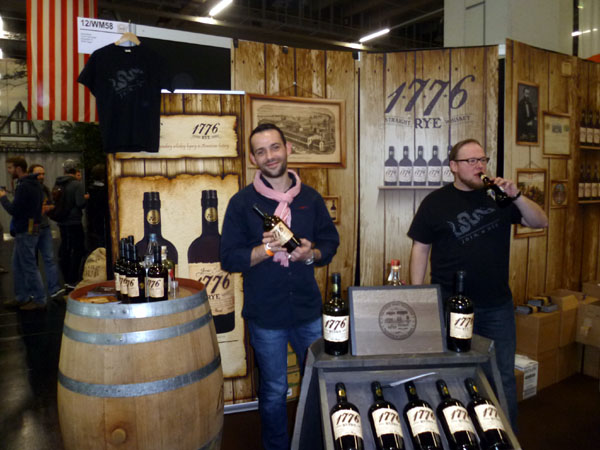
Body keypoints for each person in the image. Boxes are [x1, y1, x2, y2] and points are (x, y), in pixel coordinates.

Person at [407, 138, 548, 430]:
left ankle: (505, 438)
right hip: (449, 306)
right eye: (471, 161)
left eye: (482, 159)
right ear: (454, 166)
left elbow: (540, 222)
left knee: (502, 376)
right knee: (451, 374)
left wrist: (517, 196)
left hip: (496, 305)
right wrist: (419, 297)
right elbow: (420, 249)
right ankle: (461, 434)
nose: (479, 165)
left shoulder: (498, 196)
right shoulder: (435, 203)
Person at [220, 123, 339, 450]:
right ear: (253, 159)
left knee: (319, 383)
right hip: (265, 314)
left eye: (274, 147)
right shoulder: (242, 203)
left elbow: (330, 242)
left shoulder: (310, 198)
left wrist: (311, 254)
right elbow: (229, 258)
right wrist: (266, 250)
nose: (269, 156)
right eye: (261, 151)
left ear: (288, 149)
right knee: (273, 391)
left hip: (308, 311)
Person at [0, 156, 47, 310]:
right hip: (31, 228)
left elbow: (14, 210)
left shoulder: (24, 186)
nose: (9, 171)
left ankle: (39, 300)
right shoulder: (34, 184)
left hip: (25, 230)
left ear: (18, 168)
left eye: (10, 168)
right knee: (18, 265)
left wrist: (3, 198)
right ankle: (22, 296)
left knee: (28, 266)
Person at [28, 164, 65, 301]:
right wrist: (40, 209)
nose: (41, 176)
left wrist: (50, 206)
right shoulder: (27, 189)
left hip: (44, 226)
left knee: (49, 258)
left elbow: (51, 204)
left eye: (43, 174)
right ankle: (34, 292)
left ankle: (54, 289)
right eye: (38, 174)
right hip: (32, 226)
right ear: (30, 174)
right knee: (32, 261)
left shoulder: (45, 189)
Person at [54, 159, 87, 289]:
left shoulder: (58, 183)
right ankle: (73, 278)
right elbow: (80, 203)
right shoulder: (77, 184)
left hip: (62, 220)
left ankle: (66, 277)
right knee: (78, 249)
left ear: (64, 170)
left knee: (65, 248)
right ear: (76, 170)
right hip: (74, 221)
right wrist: (86, 198)